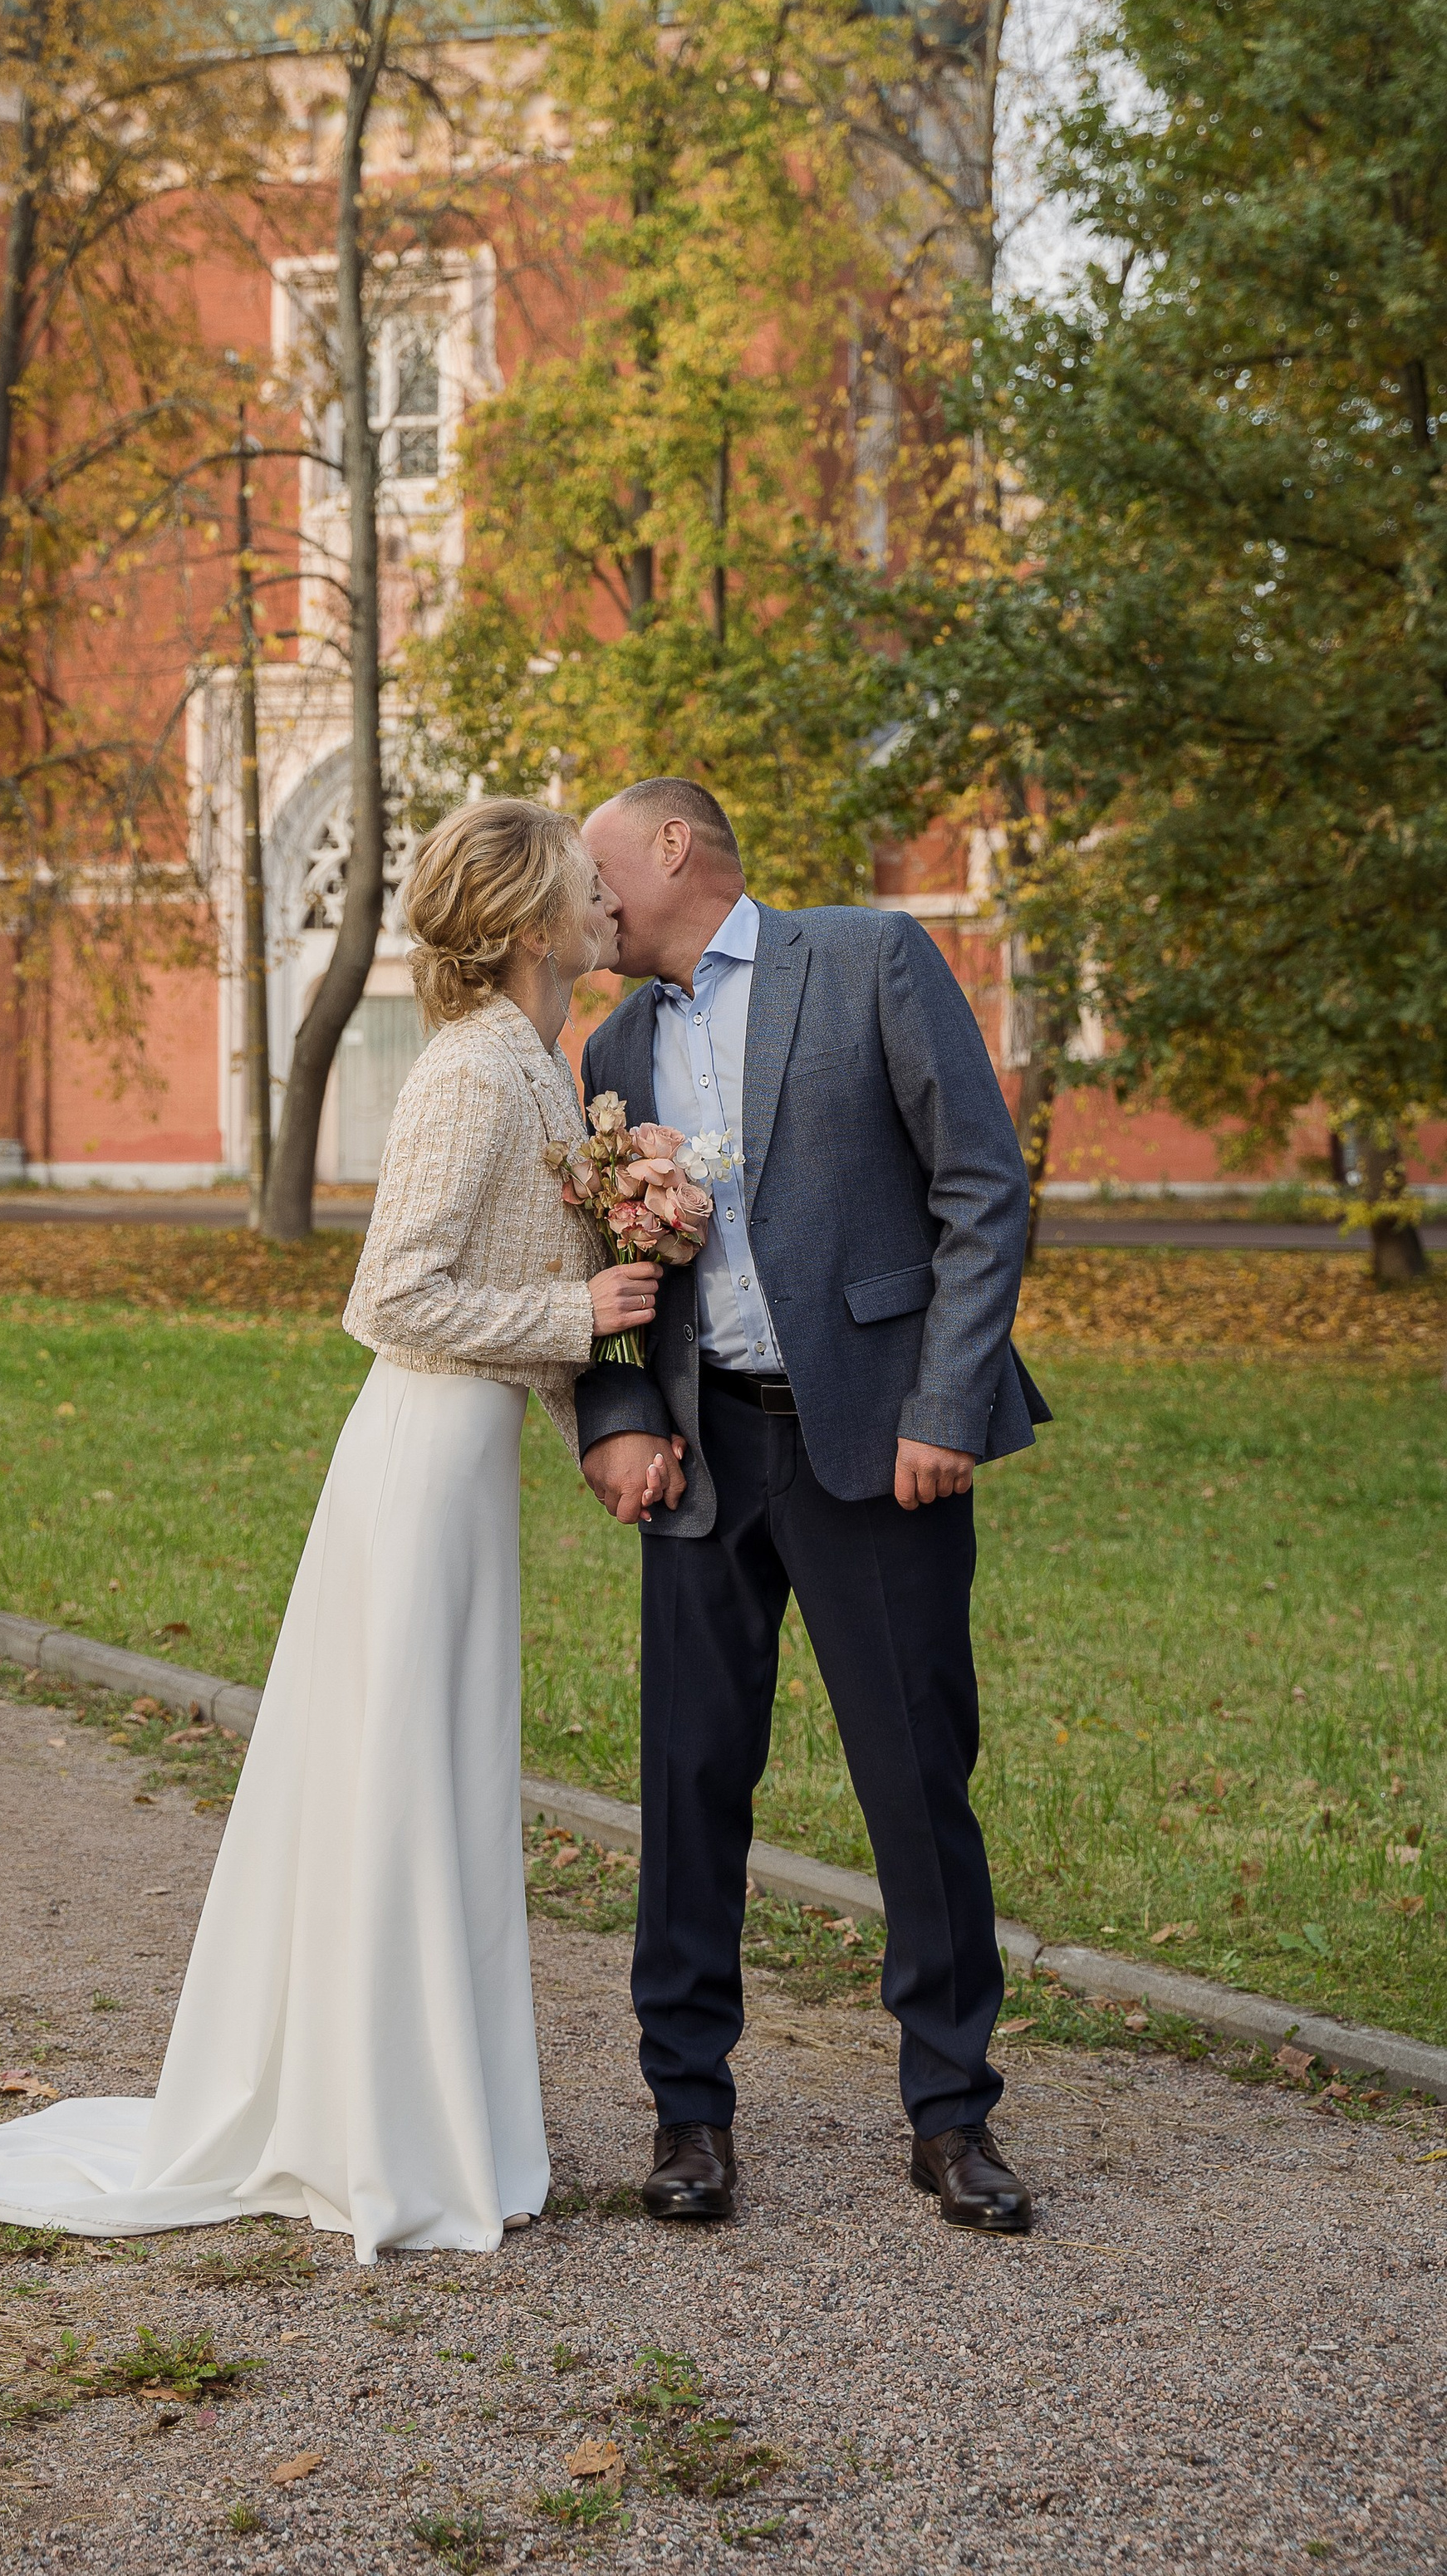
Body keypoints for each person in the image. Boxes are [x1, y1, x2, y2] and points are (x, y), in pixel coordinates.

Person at [0, 796, 658, 2262]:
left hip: (468, 1463)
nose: (607, 903)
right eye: (586, 888)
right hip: (415, 1462)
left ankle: (437, 2115)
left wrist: (602, 1409)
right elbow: (388, 1296)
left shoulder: (538, 1061)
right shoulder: (464, 1073)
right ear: (528, 927)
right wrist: (577, 1312)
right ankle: (381, 2132)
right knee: (398, 1784)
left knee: (438, 1784)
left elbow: (518, 1289)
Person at [573, 776, 1049, 2236]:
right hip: (701, 1457)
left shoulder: (867, 960)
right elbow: (598, 1252)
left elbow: (982, 1188)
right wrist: (620, 1416)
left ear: (672, 848)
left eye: (596, 867)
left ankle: (953, 2115)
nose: (582, 900)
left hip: (876, 1448)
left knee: (915, 1779)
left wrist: (944, 1406)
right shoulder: (612, 1045)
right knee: (689, 1786)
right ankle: (690, 2116)